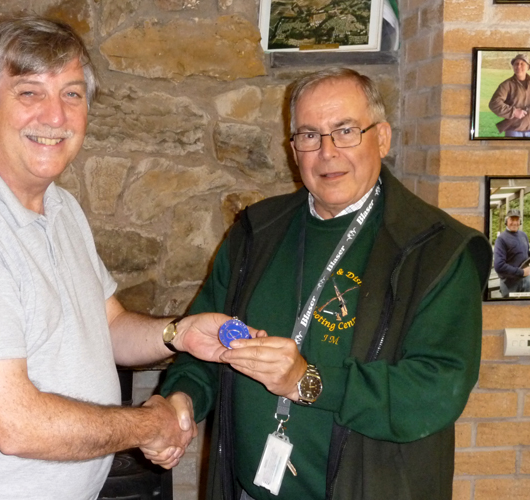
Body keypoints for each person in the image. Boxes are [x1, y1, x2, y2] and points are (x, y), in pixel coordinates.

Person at [0, 17, 245, 499]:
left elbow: (107, 325)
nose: (55, 117)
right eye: (30, 93)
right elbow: (18, 425)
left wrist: (180, 333)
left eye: (71, 94)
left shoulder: (60, 206)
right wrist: (147, 425)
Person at [158, 68, 492, 500]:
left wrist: (308, 380)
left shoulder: (437, 251)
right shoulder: (257, 231)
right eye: (309, 135)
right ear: (293, 149)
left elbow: (434, 392)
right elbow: (205, 339)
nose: (327, 152)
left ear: (383, 138)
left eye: (346, 131)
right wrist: (179, 400)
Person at [489, 53, 530, 137]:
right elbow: (494, 104)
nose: (518, 66)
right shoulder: (506, 85)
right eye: (516, 64)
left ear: (528, 67)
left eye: (522, 64)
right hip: (514, 131)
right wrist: (514, 112)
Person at [494, 208, 530, 297]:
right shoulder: (501, 239)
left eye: (517, 219)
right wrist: (521, 272)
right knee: (510, 309)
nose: (514, 223)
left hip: (526, 282)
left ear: (520, 221)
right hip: (510, 284)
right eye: (511, 219)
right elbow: (499, 266)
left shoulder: (523, 235)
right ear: (506, 221)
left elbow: (526, 254)